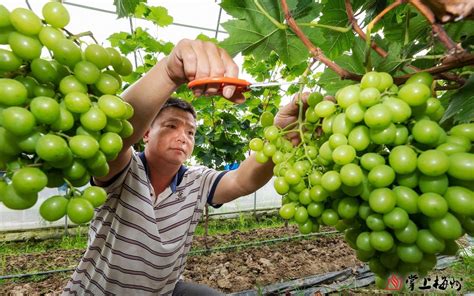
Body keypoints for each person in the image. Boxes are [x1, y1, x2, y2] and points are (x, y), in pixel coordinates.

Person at [63, 39, 303, 295]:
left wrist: (281, 134)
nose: (183, 137)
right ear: (146, 134)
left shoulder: (197, 182)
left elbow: (243, 181)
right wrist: (168, 73)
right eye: (171, 126)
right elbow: (115, 136)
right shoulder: (124, 169)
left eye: (190, 132)